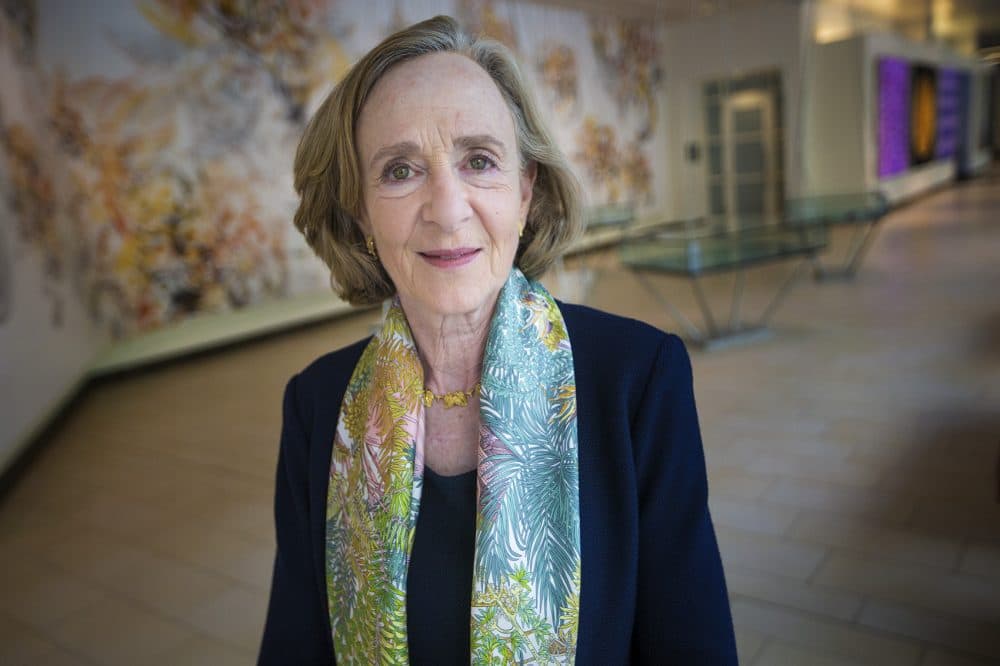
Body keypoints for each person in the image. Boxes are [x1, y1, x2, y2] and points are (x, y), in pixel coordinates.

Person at [259, 15, 736, 665]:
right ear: (360, 213)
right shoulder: (318, 405)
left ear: (526, 190)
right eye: (400, 170)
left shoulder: (636, 379)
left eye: (479, 160)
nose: (448, 208)